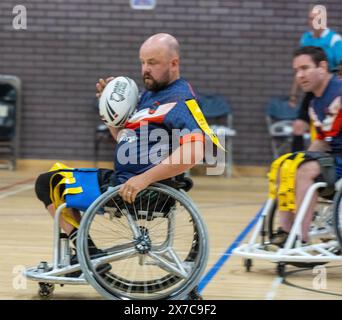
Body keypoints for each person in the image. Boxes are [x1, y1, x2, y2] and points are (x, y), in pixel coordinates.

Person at [35, 33, 207, 299]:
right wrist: (110, 111)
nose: (145, 70)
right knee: (51, 177)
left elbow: (195, 151)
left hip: (138, 190)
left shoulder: (181, 100)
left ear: (174, 63)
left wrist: (145, 179)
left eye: (153, 63)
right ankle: (87, 252)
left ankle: (84, 253)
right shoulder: (148, 97)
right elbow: (125, 140)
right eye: (142, 62)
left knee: (48, 183)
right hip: (123, 182)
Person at [272, 46, 342, 246]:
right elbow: (321, 140)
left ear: (322, 67)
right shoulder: (314, 101)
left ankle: (301, 238)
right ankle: (285, 231)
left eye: (305, 68)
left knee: (304, 171)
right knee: (285, 165)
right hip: (334, 158)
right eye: (296, 70)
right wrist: (298, 159)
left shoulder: (339, 91)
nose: (299, 75)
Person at [289, 5, 342, 152]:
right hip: (312, 90)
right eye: (311, 18)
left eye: (317, 18)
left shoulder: (334, 39)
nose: (314, 21)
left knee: (327, 131)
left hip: (329, 88)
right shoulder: (306, 38)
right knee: (298, 126)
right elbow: (300, 68)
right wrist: (293, 94)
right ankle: (296, 162)